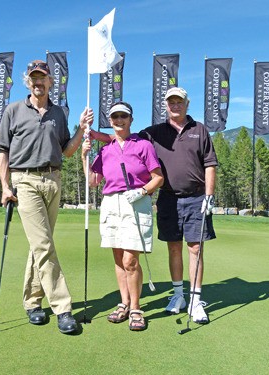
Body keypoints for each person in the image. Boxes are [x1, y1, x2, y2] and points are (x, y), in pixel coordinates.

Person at [90, 87, 217, 324]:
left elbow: (210, 163)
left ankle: (195, 300)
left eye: (179, 101)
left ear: (187, 104)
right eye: (171, 102)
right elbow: (122, 138)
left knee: (195, 249)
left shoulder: (199, 130)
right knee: (174, 248)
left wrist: (210, 195)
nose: (175, 105)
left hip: (196, 197)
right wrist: (94, 136)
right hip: (168, 198)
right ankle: (178, 295)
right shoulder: (154, 132)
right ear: (166, 106)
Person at [0, 59, 93, 334]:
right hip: (24, 181)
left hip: (53, 180)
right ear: (28, 82)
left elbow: (67, 150)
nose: (38, 82)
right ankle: (62, 307)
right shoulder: (13, 110)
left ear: (50, 82)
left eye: (43, 78)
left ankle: (32, 302)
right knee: (44, 245)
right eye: (34, 78)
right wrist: (5, 186)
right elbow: (2, 150)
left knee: (39, 245)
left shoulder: (59, 113)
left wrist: (81, 129)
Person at [81, 101, 163, 331]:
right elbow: (94, 182)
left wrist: (142, 191)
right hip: (111, 203)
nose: (119, 120)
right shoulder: (106, 149)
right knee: (118, 258)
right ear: (110, 121)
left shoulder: (143, 145)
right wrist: (84, 158)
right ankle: (124, 303)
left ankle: (136, 308)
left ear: (131, 120)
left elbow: (158, 177)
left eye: (123, 117)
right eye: (115, 117)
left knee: (130, 260)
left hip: (136, 201)